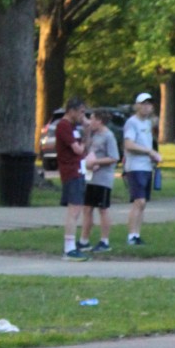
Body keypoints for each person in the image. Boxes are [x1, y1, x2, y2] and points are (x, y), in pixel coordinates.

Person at [123, 93, 162, 245]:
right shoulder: (132, 123)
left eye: (149, 104)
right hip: (135, 166)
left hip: (146, 166)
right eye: (143, 104)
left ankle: (137, 234)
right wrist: (149, 151)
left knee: (143, 203)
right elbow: (129, 144)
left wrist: (153, 156)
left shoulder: (147, 123)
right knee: (139, 201)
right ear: (137, 106)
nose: (146, 107)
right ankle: (131, 235)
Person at [81, 109, 119, 252]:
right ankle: (84, 241)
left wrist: (96, 162)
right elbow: (86, 149)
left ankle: (104, 241)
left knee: (102, 209)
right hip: (91, 178)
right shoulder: (93, 134)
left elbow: (114, 157)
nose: (90, 122)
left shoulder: (108, 136)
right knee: (87, 208)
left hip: (103, 179)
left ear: (100, 121)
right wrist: (87, 132)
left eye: (92, 119)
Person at [55, 97, 88, 259]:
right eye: (81, 112)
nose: (83, 116)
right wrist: (86, 137)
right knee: (73, 210)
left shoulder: (73, 127)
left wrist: (86, 132)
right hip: (71, 171)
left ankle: (71, 246)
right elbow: (78, 149)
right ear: (72, 110)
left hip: (79, 170)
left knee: (77, 209)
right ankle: (69, 248)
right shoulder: (64, 126)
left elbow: (83, 149)